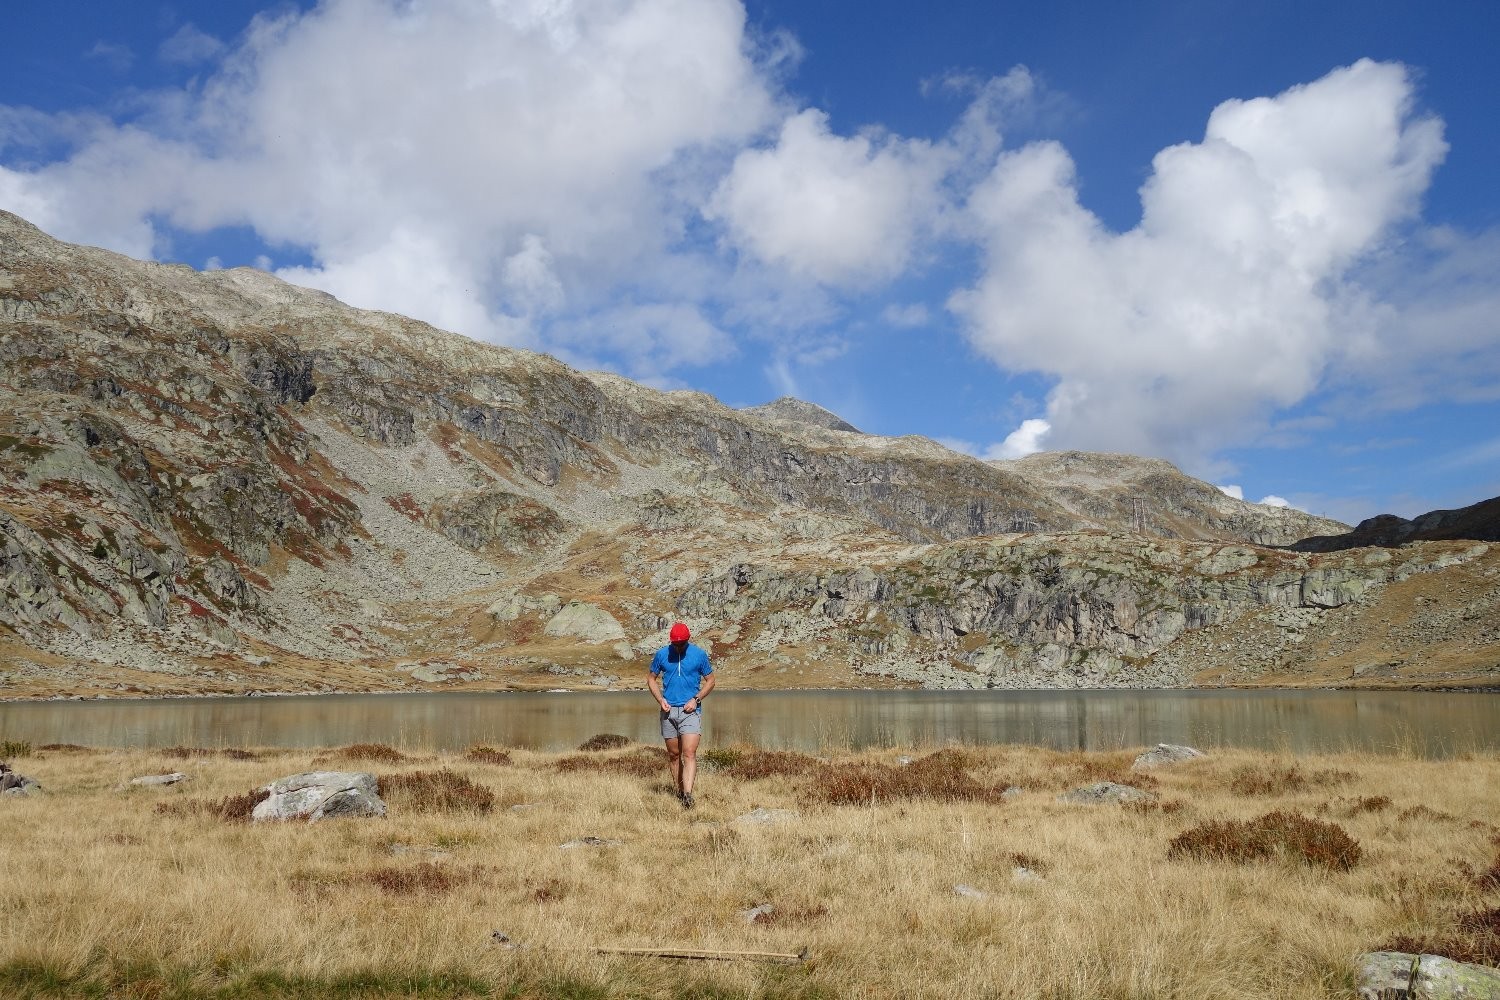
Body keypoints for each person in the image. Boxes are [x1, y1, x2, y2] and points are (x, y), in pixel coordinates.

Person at [647, 621, 715, 808]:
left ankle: (688, 795)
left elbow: (710, 680)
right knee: (674, 754)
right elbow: (651, 679)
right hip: (668, 711)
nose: (678, 646)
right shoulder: (662, 654)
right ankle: (679, 792)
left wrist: (696, 699)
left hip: (690, 711)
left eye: (681, 643)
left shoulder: (699, 655)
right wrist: (660, 699)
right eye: (675, 644)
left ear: (688, 640)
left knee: (689, 753)